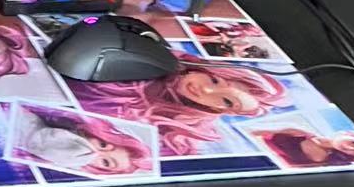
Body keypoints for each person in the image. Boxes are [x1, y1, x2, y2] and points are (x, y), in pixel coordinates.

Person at [70, 60, 288, 157]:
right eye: (214, 80)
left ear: (225, 112)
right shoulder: (154, 57)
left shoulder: (176, 136)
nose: (205, 90)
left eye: (227, 101)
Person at [14, 108, 152, 178]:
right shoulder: (65, 120)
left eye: (105, 162)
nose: (96, 152)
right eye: (102, 145)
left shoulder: (67, 167)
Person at [260, 128, 354, 168]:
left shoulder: (321, 159)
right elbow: (259, 133)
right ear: (350, 134)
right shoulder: (303, 131)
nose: (350, 149)